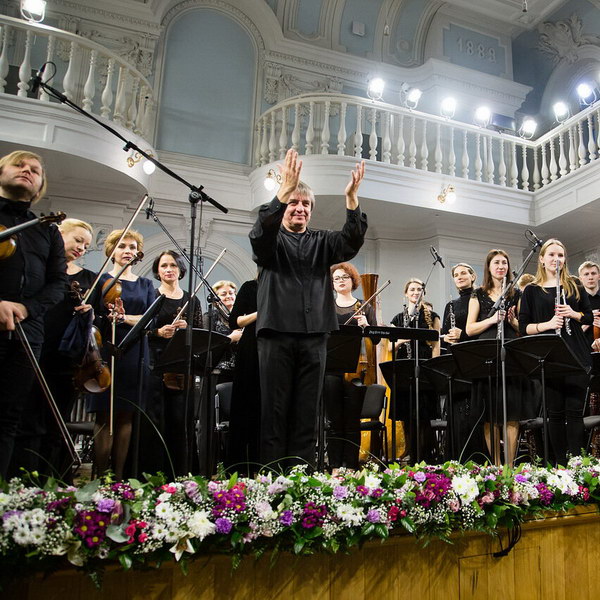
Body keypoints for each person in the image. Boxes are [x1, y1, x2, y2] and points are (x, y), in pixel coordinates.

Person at [250, 148, 367, 470]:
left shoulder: (323, 241)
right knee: (275, 412)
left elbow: (351, 242)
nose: (300, 208)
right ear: (283, 207)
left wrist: (351, 200)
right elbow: (260, 234)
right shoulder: (271, 240)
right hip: (276, 335)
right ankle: (272, 477)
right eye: (293, 203)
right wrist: (283, 191)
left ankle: (302, 478)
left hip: (315, 335)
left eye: (305, 204)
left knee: (307, 413)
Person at [0, 150, 67, 479]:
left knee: (9, 417)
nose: (27, 171)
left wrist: (27, 308)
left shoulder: (47, 230)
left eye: (35, 170)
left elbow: (58, 283)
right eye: (19, 165)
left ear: (40, 185)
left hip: (28, 332)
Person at [14, 219, 95, 478]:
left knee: (56, 425)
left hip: (66, 359)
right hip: (33, 349)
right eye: (78, 240)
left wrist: (89, 313)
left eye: (86, 246)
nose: (81, 248)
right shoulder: (42, 270)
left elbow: (98, 323)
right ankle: (20, 478)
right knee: (25, 419)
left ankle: (52, 481)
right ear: (59, 235)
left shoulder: (88, 279)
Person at [87, 228, 155, 480]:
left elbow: (149, 319)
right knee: (104, 415)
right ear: (112, 251)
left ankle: (118, 478)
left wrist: (124, 317)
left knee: (126, 415)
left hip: (134, 352)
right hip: (105, 350)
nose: (128, 251)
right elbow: (91, 315)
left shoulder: (146, 284)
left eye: (132, 247)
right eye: (122, 246)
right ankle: (100, 476)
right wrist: (106, 316)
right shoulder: (101, 281)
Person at [520, 240, 593, 465]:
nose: (556, 259)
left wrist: (573, 313)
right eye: (551, 255)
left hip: (576, 354)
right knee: (555, 413)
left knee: (575, 412)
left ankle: (577, 465)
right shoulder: (531, 290)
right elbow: (524, 327)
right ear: (542, 259)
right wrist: (548, 324)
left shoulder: (575, 284)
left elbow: (589, 317)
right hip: (549, 356)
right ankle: (559, 465)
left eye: (560, 255)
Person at [466, 249, 524, 466]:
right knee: (490, 415)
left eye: (504, 263)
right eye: (496, 263)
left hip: (510, 355)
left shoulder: (516, 294)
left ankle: (510, 466)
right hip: (486, 358)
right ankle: (496, 465)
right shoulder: (478, 294)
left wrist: (513, 321)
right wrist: (492, 320)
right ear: (489, 267)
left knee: (512, 413)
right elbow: (470, 329)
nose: (501, 266)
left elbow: (523, 328)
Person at [145, 250, 200, 477]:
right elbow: (142, 330)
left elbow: (198, 333)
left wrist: (188, 329)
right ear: (158, 271)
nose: (169, 269)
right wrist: (158, 332)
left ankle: (181, 473)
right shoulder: (151, 295)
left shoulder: (191, 300)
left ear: (180, 270)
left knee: (180, 419)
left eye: (173, 265)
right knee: (157, 418)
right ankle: (155, 473)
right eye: (164, 266)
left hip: (180, 365)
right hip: (155, 363)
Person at [324, 262, 378, 471]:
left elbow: (375, 340)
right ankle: (335, 466)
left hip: (357, 368)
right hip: (331, 369)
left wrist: (366, 326)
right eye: (336, 278)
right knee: (334, 420)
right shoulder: (326, 306)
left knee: (353, 420)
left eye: (345, 277)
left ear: (352, 280)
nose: (340, 281)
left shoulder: (364, 306)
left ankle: (352, 466)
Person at [390, 278, 441, 461]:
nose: (415, 292)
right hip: (404, 368)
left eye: (419, 289)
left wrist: (433, 369)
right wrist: (399, 341)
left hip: (425, 368)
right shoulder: (398, 318)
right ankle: (411, 453)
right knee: (406, 414)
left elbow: (436, 345)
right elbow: (389, 347)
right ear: (406, 293)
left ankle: (425, 455)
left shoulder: (433, 316)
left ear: (423, 293)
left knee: (424, 414)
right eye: (412, 289)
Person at [440, 263, 482, 461]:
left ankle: (476, 459)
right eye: (456, 274)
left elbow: (482, 331)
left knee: (474, 410)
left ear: (473, 276)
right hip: (455, 360)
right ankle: (456, 459)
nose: (459, 276)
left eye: (463, 273)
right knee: (456, 410)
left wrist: (462, 335)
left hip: (474, 359)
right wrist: (448, 338)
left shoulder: (480, 298)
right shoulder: (450, 305)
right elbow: (444, 334)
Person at [227, 278, 260, 475]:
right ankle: (240, 468)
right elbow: (235, 321)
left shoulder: (286, 287)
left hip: (277, 351)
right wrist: (261, 312)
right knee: (246, 407)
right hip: (252, 349)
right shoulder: (250, 287)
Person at [201, 280, 243, 384]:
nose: (228, 296)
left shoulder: (243, 317)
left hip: (241, 369)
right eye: (224, 294)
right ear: (216, 299)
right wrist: (230, 338)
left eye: (231, 293)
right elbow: (207, 345)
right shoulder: (210, 317)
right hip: (219, 371)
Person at [577, 261, 600, 351]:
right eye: (586, 274)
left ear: (599, 276)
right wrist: (588, 320)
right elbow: (571, 334)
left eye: (593, 273)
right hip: (583, 351)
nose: (590, 277)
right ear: (580, 279)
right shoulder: (575, 301)